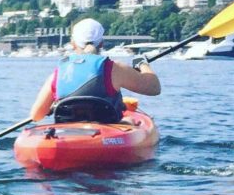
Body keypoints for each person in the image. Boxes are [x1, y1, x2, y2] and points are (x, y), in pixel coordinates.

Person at [29, 17, 160, 124]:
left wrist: (51, 108)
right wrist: (142, 63)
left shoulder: (58, 73)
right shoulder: (114, 68)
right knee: (129, 121)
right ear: (101, 43)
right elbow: (154, 88)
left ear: (73, 44)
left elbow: (36, 116)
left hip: (68, 133)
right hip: (106, 130)